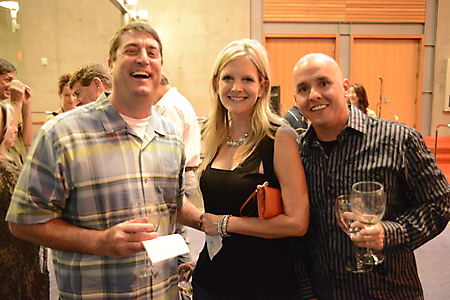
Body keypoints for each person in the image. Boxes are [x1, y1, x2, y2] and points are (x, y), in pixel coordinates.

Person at [6, 22, 202, 299]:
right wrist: (99, 242)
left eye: (152, 52)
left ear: (160, 67)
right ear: (110, 65)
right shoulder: (62, 134)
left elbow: (173, 203)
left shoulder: (170, 135)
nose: (143, 58)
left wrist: (212, 222)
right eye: (131, 50)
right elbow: (23, 221)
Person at [291, 53, 450, 299]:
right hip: (324, 293)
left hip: (389, 291)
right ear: (296, 99)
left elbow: (441, 202)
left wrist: (390, 232)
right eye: (303, 89)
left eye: (323, 83)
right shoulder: (297, 152)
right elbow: (298, 233)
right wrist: (305, 290)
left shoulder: (399, 140)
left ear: (345, 88)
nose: (314, 95)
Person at [189, 39, 310, 300]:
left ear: (262, 86)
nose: (236, 88)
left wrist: (226, 223)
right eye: (228, 78)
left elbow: (298, 223)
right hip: (211, 280)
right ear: (215, 84)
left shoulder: (279, 138)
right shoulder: (212, 137)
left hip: (263, 283)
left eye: (247, 79)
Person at [0, 102, 49, 299]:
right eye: (12, 124)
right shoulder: (7, 175)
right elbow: (34, 216)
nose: (15, 129)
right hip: (12, 266)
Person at [155, 73, 202, 268]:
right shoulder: (175, 101)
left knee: (171, 232)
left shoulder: (169, 107)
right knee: (177, 231)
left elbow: (168, 151)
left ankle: (182, 280)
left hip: (178, 173)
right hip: (185, 171)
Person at [0, 59, 33, 168]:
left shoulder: (6, 108)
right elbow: (7, 141)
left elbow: (26, 141)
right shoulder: (4, 111)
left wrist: (26, 106)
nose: (12, 85)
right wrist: (16, 103)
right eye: (8, 80)